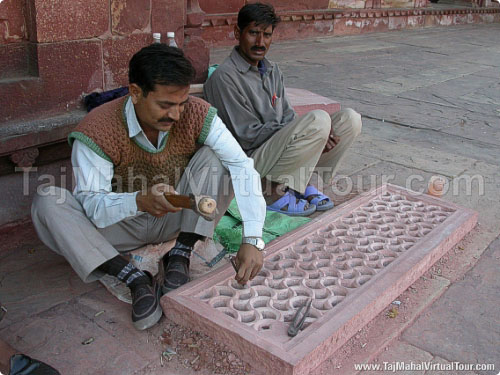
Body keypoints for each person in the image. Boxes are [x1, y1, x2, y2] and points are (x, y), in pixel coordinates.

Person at [31, 44, 266, 331]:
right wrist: (138, 201)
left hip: (177, 218)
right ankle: (132, 277)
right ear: (135, 92)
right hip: (119, 226)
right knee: (48, 200)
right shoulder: (98, 130)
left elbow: (242, 166)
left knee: (222, 158)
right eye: (165, 105)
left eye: (181, 103)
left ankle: (181, 252)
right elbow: (93, 207)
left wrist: (253, 239)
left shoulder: (197, 114)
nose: (176, 115)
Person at [204, 3, 362, 217]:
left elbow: (287, 115)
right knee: (318, 121)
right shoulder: (224, 77)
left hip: (274, 150)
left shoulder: (272, 70)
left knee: (350, 120)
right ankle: (271, 193)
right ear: (237, 33)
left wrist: (315, 136)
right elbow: (247, 136)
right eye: (253, 33)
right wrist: (308, 133)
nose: (260, 42)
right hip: (249, 162)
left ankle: (301, 182)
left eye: (267, 35)